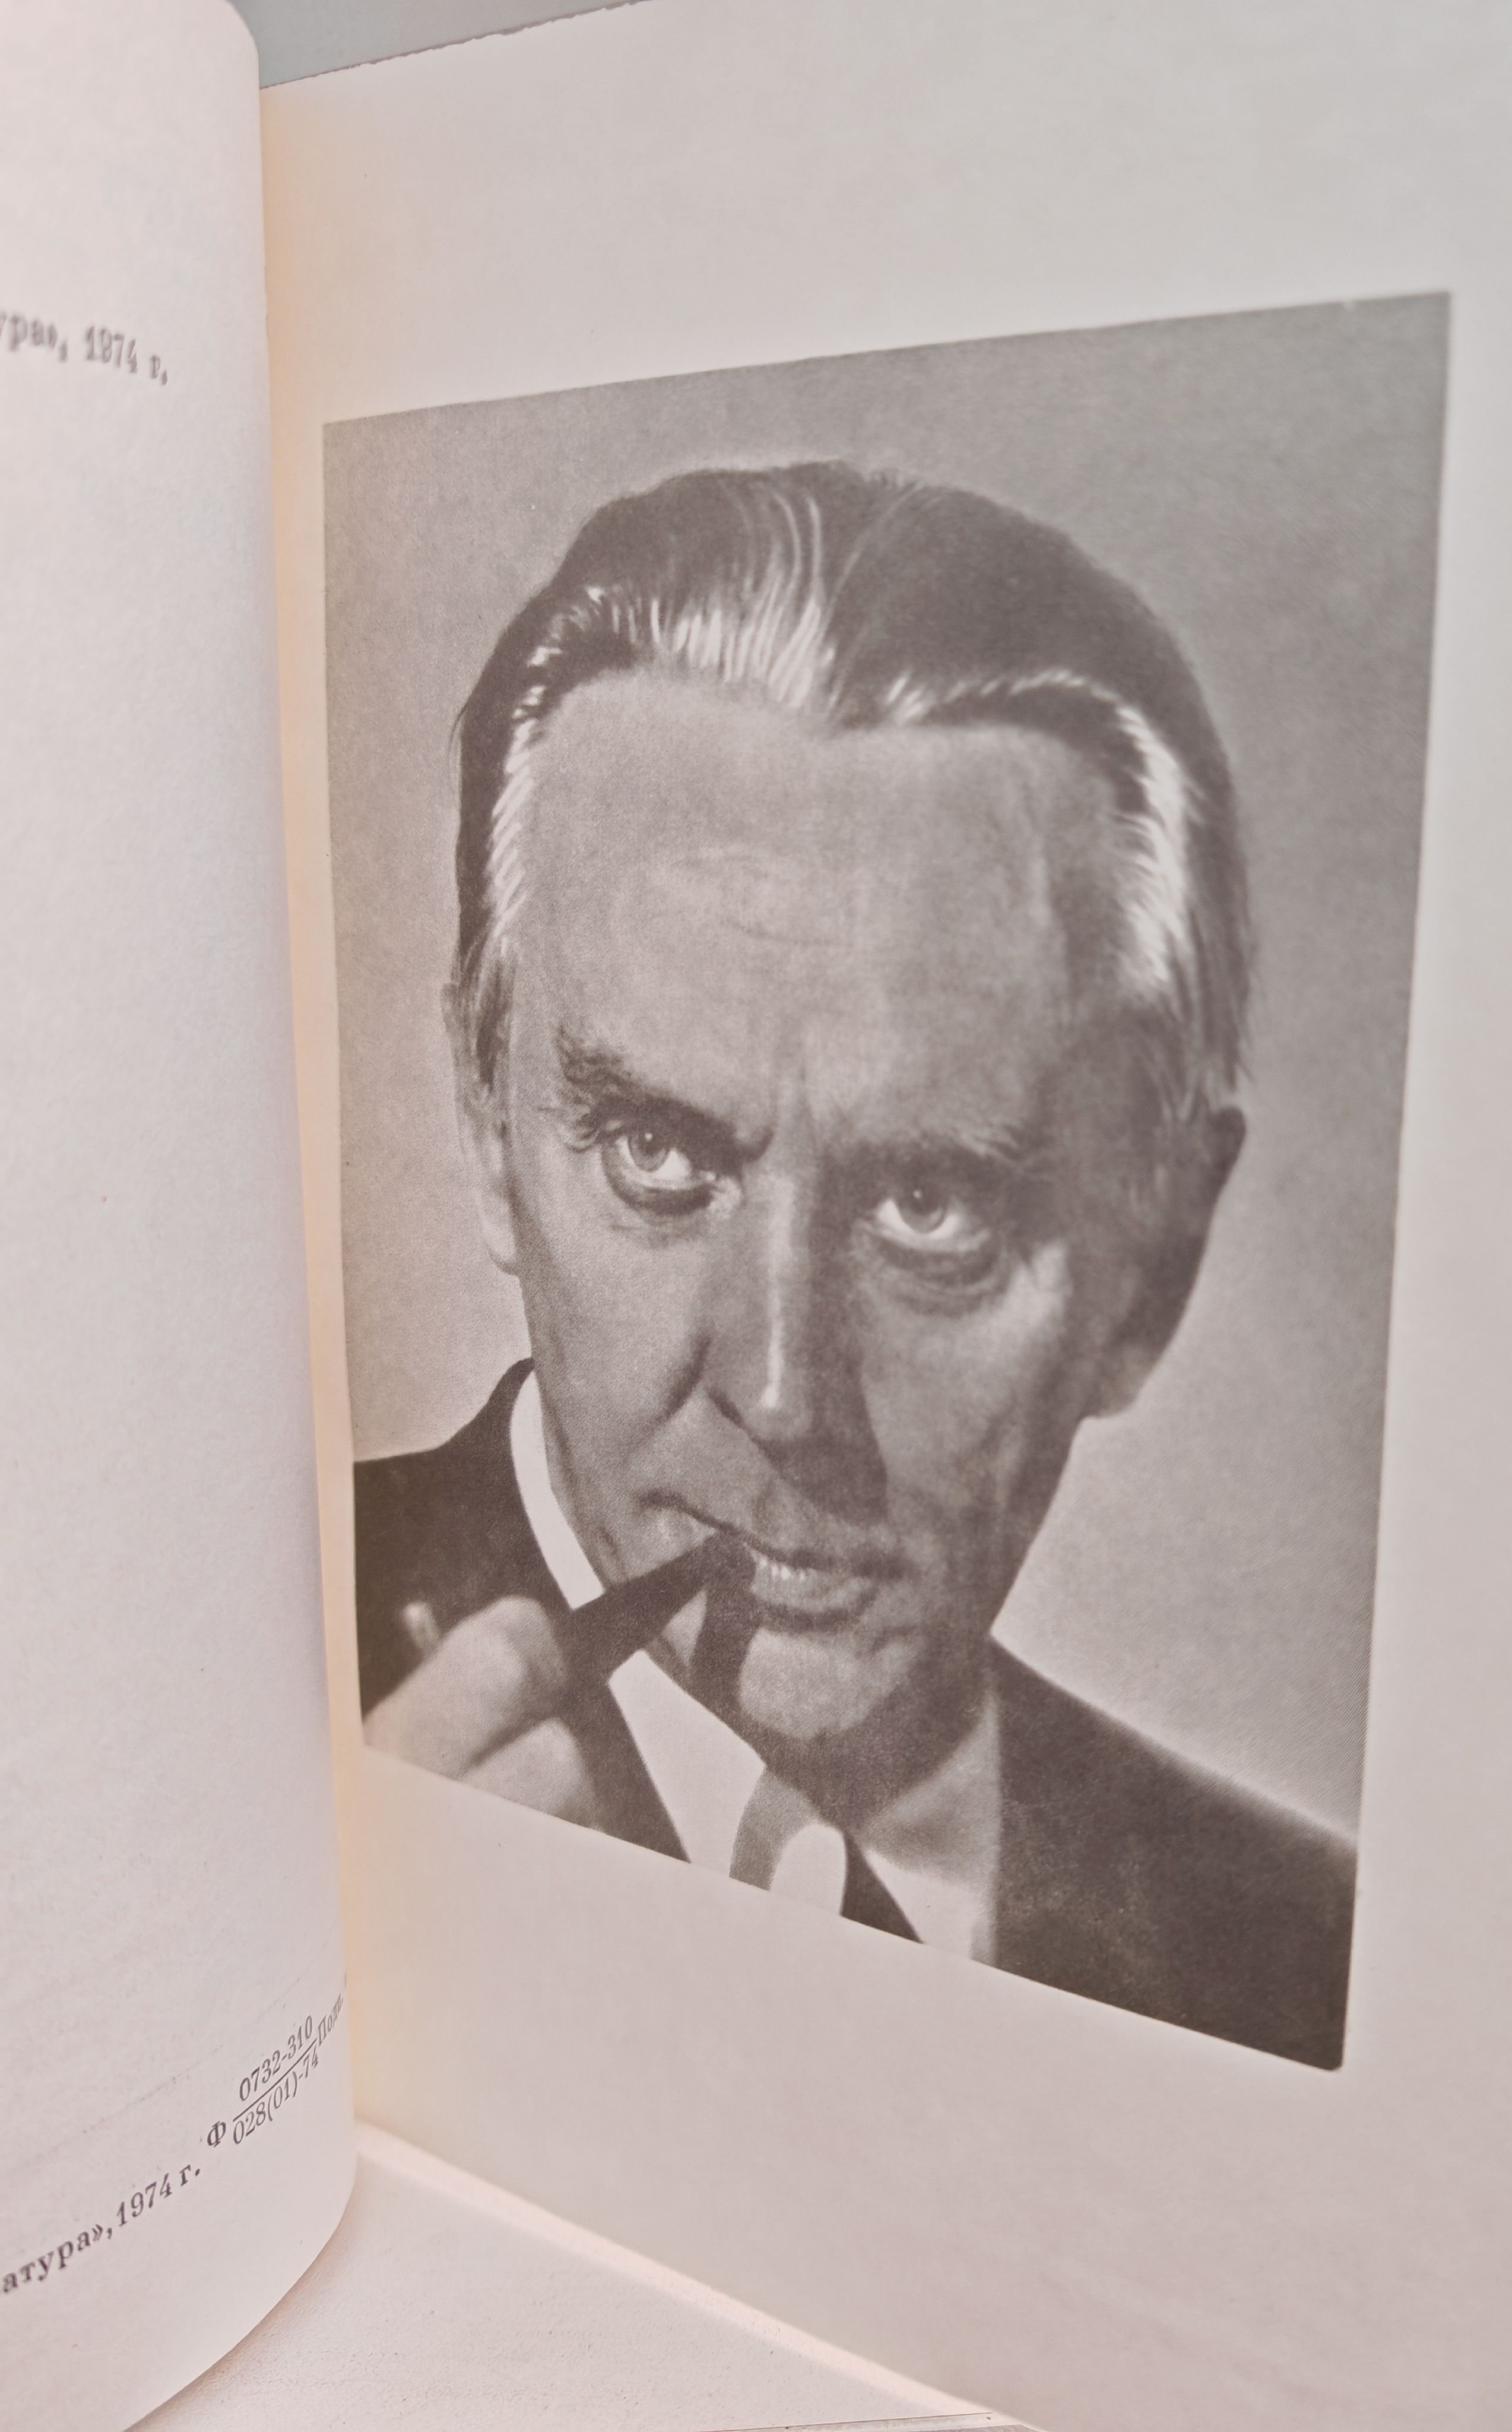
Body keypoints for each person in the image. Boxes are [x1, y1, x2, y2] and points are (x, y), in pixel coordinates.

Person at [355, 461, 1353, 2067]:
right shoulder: (210, 1698)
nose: (778, 1391)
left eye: (932, 1208)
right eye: (658, 1156)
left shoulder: (1308, 1964)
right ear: (489, 1118)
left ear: (1156, 1265)